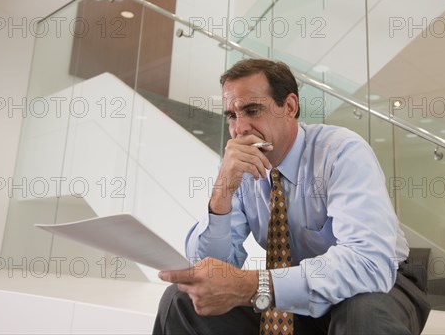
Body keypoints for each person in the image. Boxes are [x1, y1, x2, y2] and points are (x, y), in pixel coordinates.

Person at [153, 59, 430, 334]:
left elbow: (368, 263)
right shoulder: (241, 170)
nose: (241, 129)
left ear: (290, 107)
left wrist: (255, 285)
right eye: (232, 116)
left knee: (363, 315)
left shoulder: (341, 153)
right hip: (295, 289)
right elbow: (214, 270)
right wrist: (222, 192)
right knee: (180, 302)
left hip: (380, 282)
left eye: (252, 110)